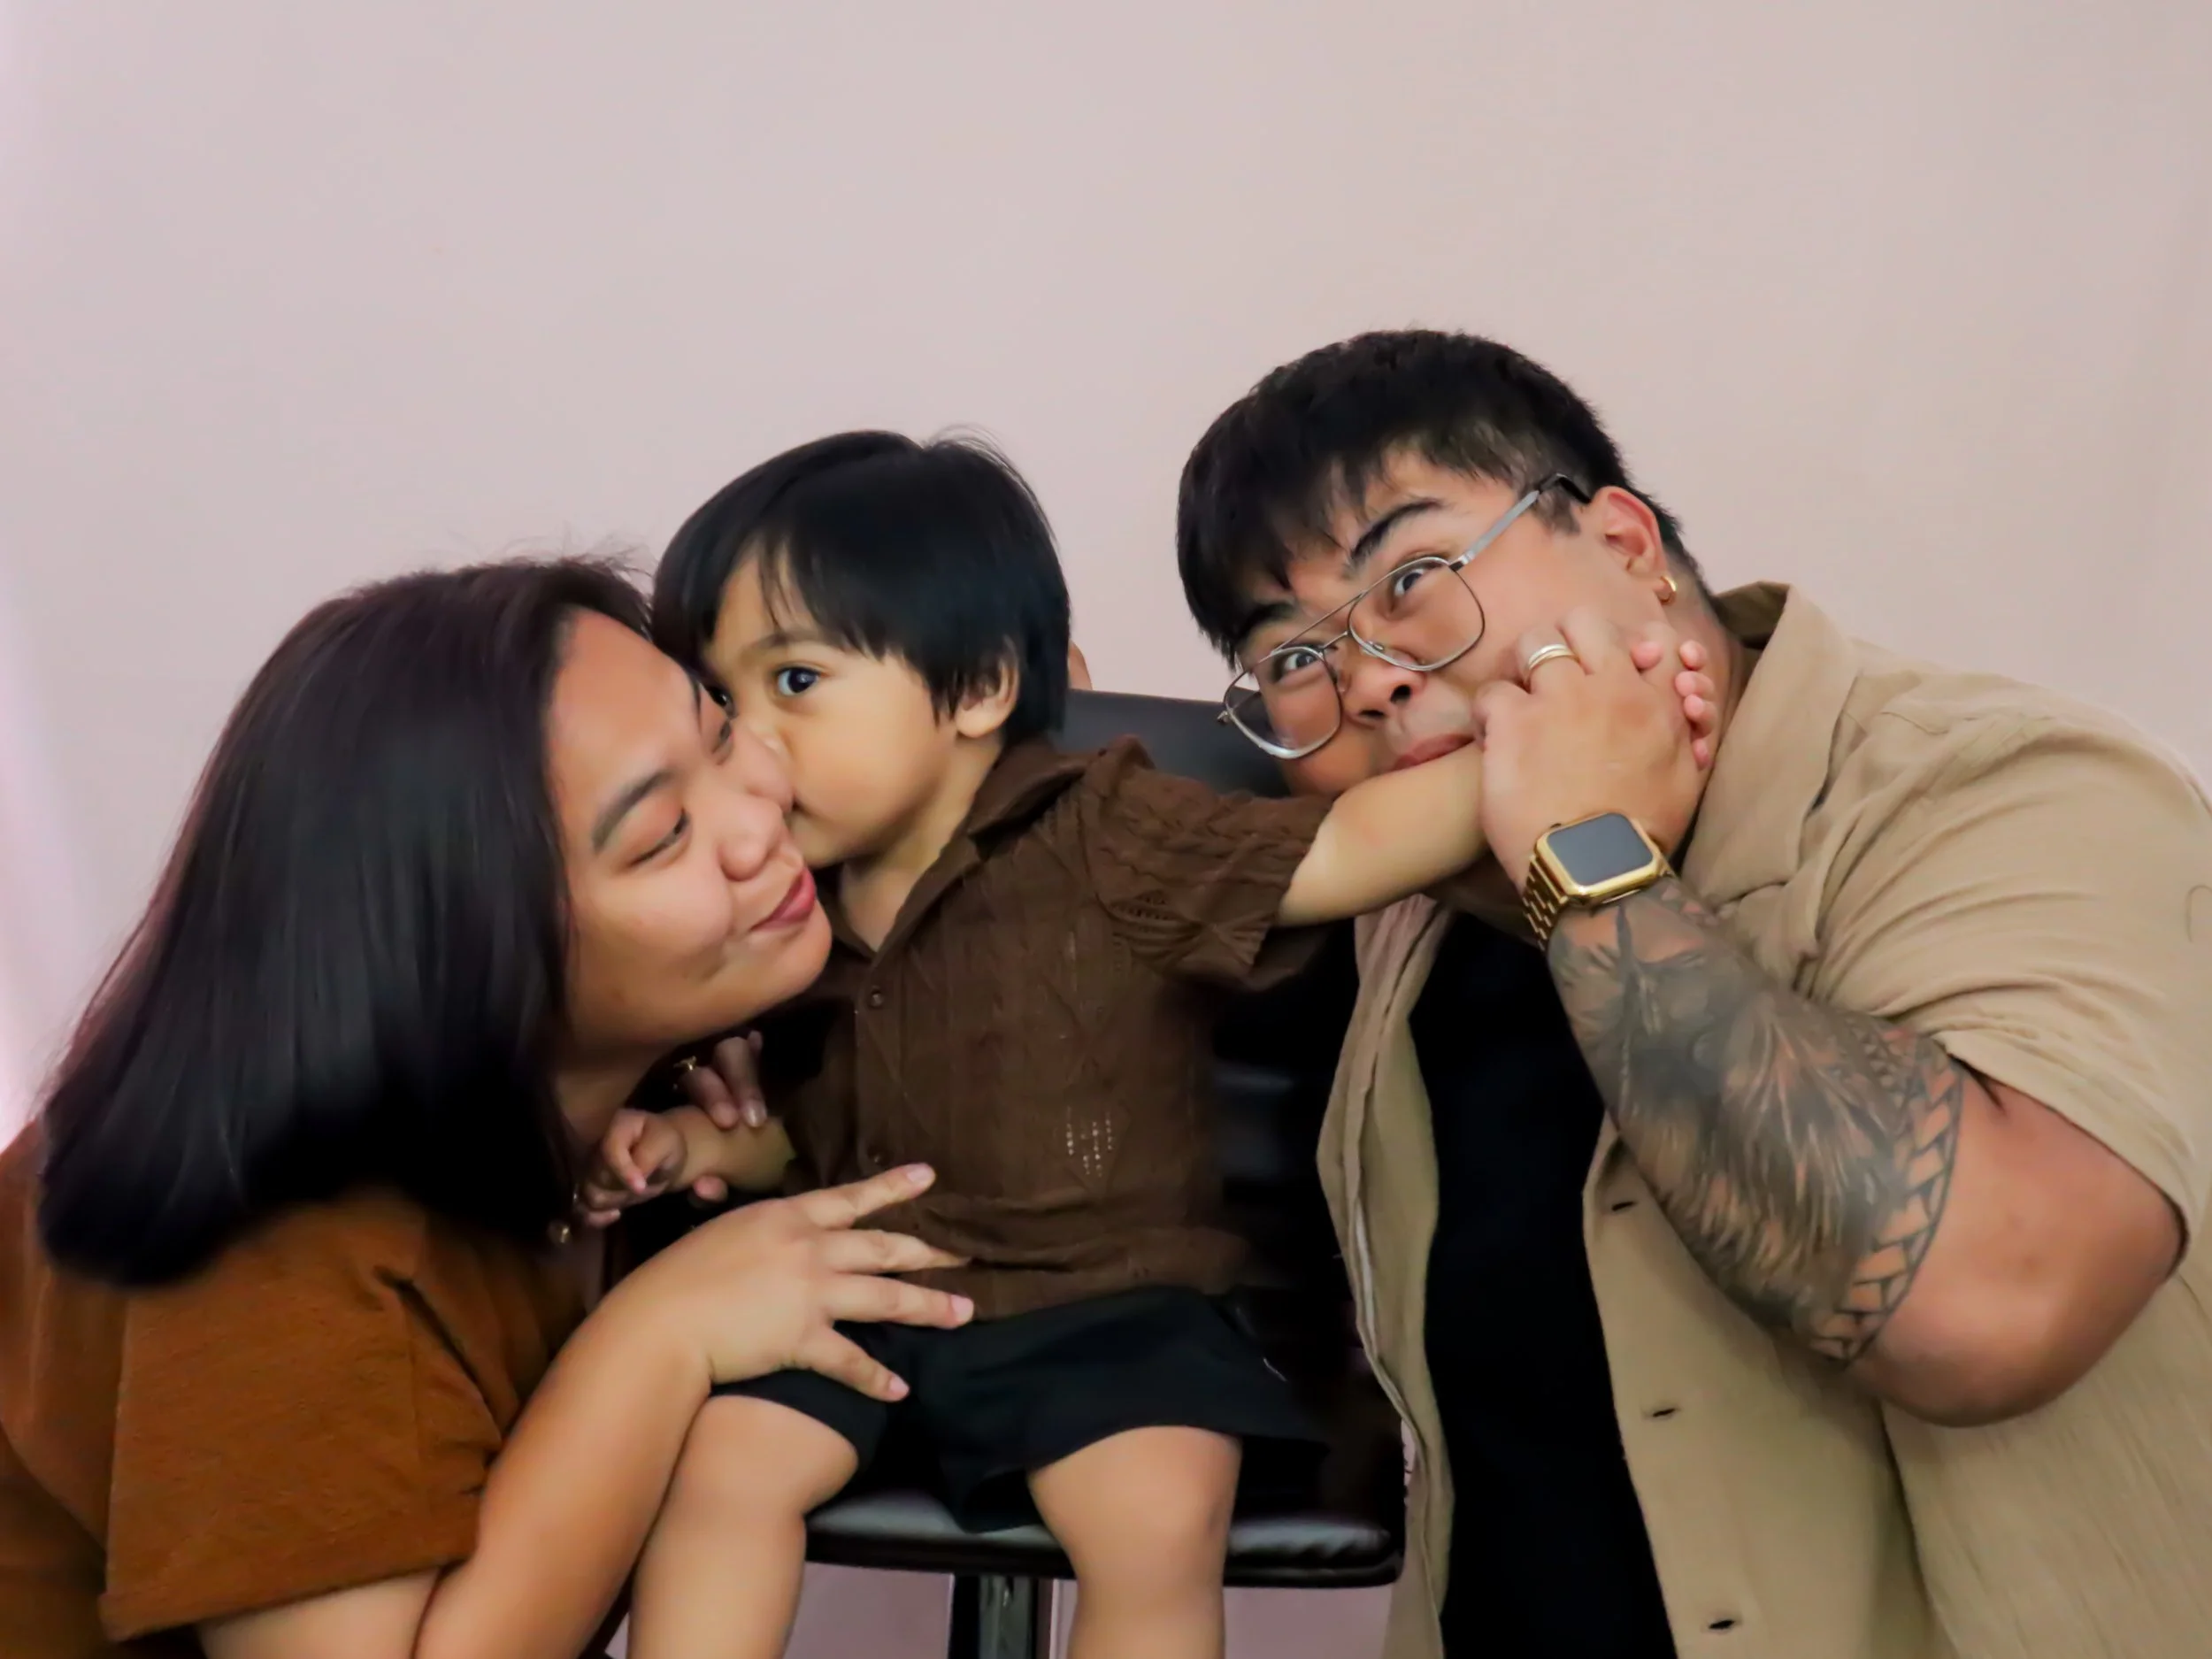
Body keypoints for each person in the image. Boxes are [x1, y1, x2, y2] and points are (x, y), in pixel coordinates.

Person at [1171, 328, 2212, 1659]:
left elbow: (1988, 1304)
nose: (1370, 675)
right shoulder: (1406, 922)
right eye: (1293, 658)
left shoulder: (2018, 786)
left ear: (1625, 546)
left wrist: (1590, 865)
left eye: (1417, 577)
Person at [601, 431, 1716, 1659]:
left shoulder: (1104, 827)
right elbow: (793, 1137)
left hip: (1108, 1303)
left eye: (795, 684)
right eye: (721, 706)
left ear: (975, 687)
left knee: (1157, 1514)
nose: (748, 747)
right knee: (717, 1472)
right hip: (861, 1286)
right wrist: (704, 1142)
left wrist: (1562, 751)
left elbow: (1344, 846)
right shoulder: (777, 908)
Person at [0, 558, 979, 1659]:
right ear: (470, 957)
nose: (759, 816)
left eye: (715, 729)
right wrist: (660, 1336)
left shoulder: (643, 1092)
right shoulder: (273, 1236)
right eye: (659, 837)